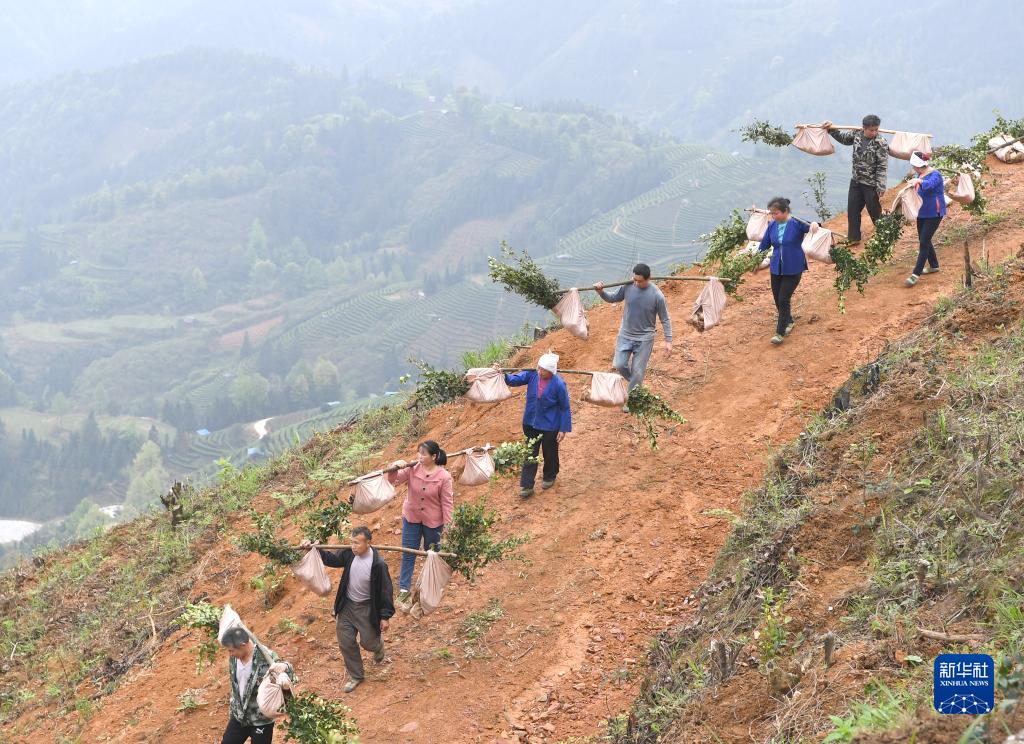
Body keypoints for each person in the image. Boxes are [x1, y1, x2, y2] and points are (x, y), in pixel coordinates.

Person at [310, 526, 395, 693]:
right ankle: (356, 675)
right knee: (346, 641)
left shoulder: (378, 564)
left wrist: (385, 616)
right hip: (347, 606)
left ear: (369, 542)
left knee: (368, 643)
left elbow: (386, 591)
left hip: (366, 609)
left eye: (357, 543)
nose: (353, 546)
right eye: (351, 542)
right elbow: (332, 560)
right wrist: (316, 549)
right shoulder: (350, 554)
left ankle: (377, 646)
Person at [593, 263, 673, 407]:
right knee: (620, 364)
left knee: (637, 370)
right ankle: (636, 382)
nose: (636, 283)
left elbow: (665, 319)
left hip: (645, 339)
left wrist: (668, 340)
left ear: (649, 279)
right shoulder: (628, 286)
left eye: (640, 281)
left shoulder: (657, 296)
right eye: (634, 279)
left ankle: (631, 400)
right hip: (625, 334)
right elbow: (613, 298)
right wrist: (601, 292)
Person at [387, 440, 453, 607]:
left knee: (433, 554)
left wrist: (449, 525)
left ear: (434, 456)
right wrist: (395, 466)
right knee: (408, 552)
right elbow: (394, 481)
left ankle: (432, 587)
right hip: (411, 519)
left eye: (424, 454)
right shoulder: (412, 469)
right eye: (419, 453)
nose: (420, 457)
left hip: (433, 521)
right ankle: (404, 590)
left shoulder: (444, 477)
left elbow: (447, 503)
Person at [502, 353, 572, 499]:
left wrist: (563, 428)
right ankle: (527, 486)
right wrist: (503, 375)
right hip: (530, 423)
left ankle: (550, 476)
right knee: (530, 453)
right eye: (539, 368)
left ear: (551, 371)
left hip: (550, 425)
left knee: (550, 451)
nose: (539, 371)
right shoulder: (532, 375)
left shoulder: (559, 384)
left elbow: (564, 407)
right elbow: (514, 380)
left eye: (543, 370)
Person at [754, 197, 820, 345]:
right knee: (778, 298)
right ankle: (788, 321)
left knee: (784, 299)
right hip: (776, 267)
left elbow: (812, 227)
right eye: (772, 213)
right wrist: (755, 261)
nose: (773, 216)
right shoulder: (772, 226)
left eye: (776, 213)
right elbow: (764, 245)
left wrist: (815, 224)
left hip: (793, 267)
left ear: (785, 212)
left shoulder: (796, 223)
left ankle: (780, 332)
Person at [220, 626, 294, 744]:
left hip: (261, 719)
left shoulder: (265, 657)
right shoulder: (234, 658)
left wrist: (285, 666)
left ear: (243, 645)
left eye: (231, 650)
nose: (230, 654)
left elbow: (287, 673)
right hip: (240, 715)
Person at [823, 115, 889, 244]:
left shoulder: (881, 142)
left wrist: (881, 185)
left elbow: (882, 165)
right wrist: (830, 129)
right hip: (856, 181)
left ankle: (885, 234)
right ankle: (854, 238)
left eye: (876, 130)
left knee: (874, 210)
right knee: (853, 209)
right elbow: (843, 139)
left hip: (871, 184)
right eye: (871, 130)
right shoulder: (856, 135)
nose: (874, 133)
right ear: (864, 128)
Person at [905, 150, 946, 286]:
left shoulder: (935, 175)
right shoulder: (920, 174)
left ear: (917, 166)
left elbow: (929, 186)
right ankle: (934, 265)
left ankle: (915, 274)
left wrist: (919, 181)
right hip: (922, 212)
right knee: (924, 239)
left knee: (924, 241)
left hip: (934, 212)